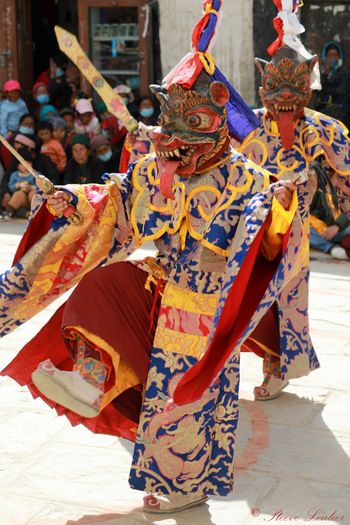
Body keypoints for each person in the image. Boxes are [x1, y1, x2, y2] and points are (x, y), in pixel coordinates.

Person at [0, 1, 325, 515]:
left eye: (186, 136)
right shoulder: (158, 167)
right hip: (161, 277)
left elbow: (267, 241)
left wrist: (285, 204)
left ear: (219, 130)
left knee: (181, 397)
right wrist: (72, 199)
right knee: (100, 287)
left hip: (208, 304)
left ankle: (185, 483)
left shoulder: (244, 179)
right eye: (168, 134)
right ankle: (92, 375)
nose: (170, 147)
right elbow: (119, 204)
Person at [234, 0, 350, 400]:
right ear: (262, 82)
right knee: (236, 294)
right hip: (250, 226)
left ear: (310, 82)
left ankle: (276, 365)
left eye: (295, 87)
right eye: (274, 87)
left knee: (283, 298)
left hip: (295, 232)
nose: (284, 96)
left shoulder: (325, 130)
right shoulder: (246, 125)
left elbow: (347, 175)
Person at [316, 41, 350, 128]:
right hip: (321, 114)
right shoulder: (321, 72)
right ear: (325, 56)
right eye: (329, 55)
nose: (332, 58)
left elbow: (341, 90)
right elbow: (316, 88)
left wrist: (324, 88)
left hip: (341, 114)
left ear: (339, 56)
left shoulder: (345, 72)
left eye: (335, 55)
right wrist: (326, 74)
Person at [310, 189, 350, 260]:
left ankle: (326, 244)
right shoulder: (319, 187)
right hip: (324, 231)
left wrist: (337, 226)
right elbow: (308, 206)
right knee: (302, 229)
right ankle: (331, 248)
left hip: (343, 229)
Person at [2, 147, 38, 220]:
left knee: (34, 194)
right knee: (18, 194)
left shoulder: (35, 174)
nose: (26, 166)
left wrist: (32, 187)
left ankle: (38, 212)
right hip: (22, 200)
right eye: (22, 164)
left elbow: (42, 185)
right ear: (18, 166)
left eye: (28, 163)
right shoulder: (15, 175)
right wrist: (17, 185)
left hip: (32, 199)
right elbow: (11, 186)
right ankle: (9, 212)